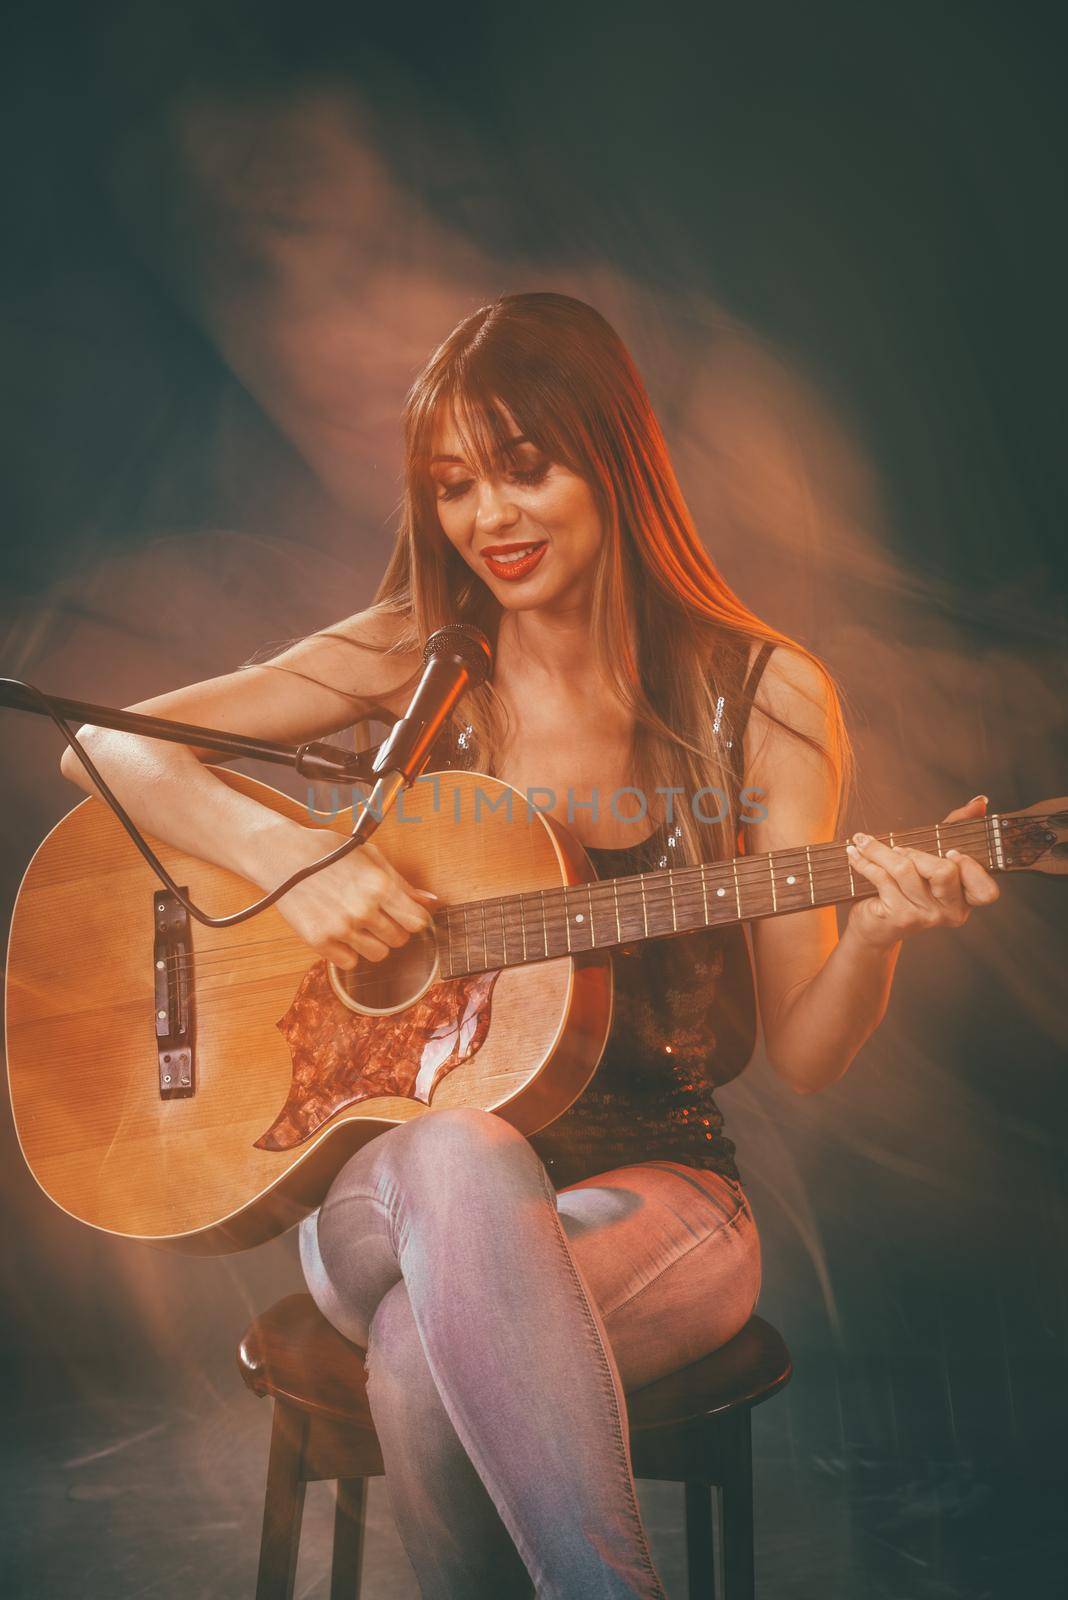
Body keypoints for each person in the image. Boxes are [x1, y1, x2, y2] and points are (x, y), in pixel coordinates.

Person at [60, 292, 1000, 1598]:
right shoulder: (415, 657)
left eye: (523, 468)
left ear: (612, 460)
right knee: (456, 1147)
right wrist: (293, 870)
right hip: (383, 1204)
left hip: (665, 1203)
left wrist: (881, 937)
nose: (486, 518)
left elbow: (810, 1050)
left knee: (422, 1360)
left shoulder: (764, 697)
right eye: (452, 487)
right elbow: (103, 745)